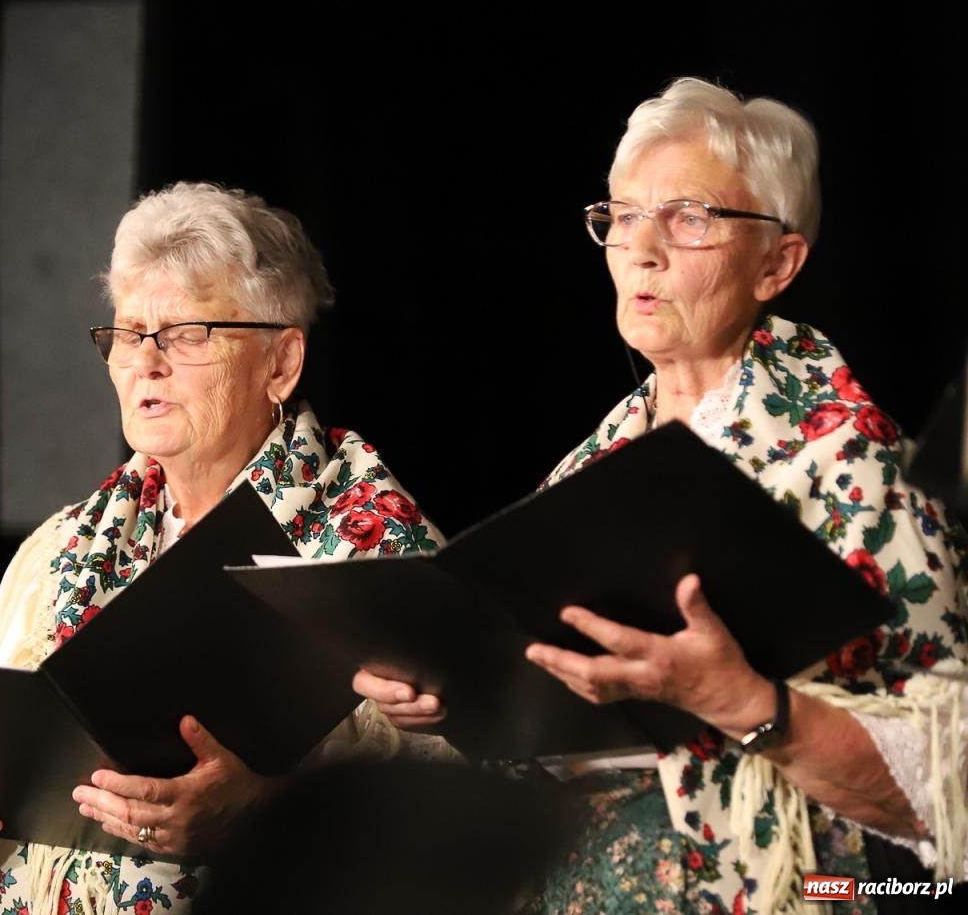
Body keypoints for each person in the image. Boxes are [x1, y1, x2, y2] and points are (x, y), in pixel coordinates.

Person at [356, 78, 967, 913]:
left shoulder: (856, 464)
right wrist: (447, 699)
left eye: (689, 218)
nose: (641, 249)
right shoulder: (594, 464)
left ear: (777, 264)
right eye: (622, 217)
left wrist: (741, 703)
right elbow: (536, 725)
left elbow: (950, 786)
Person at [0, 181, 446, 914]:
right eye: (130, 333)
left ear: (281, 363)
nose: (146, 363)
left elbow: (463, 833)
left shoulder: (377, 549)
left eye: (188, 333)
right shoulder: (56, 552)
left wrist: (259, 810)